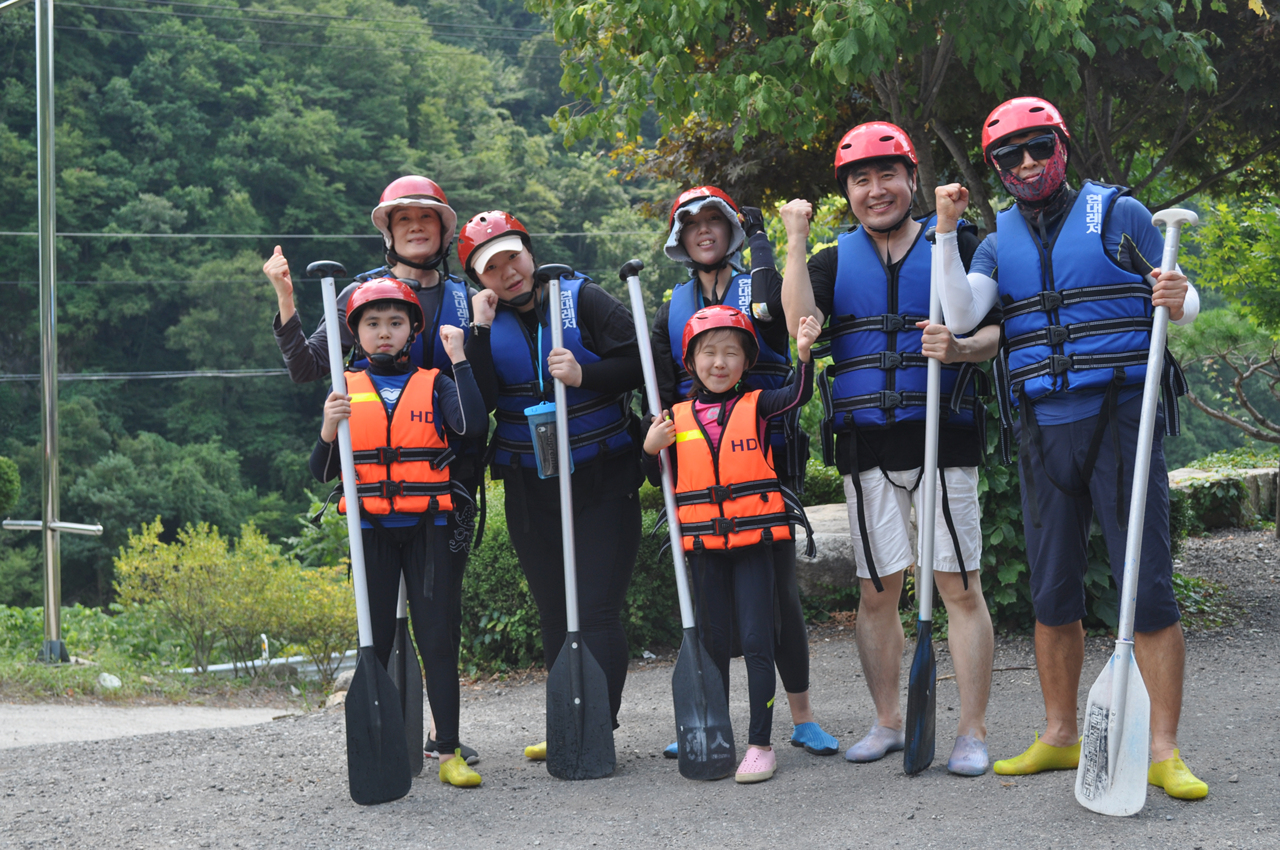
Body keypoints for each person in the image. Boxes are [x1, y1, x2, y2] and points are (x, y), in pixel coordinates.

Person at [934, 96, 1207, 799]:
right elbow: (962, 313)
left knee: (1147, 586)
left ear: (1061, 145)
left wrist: (1178, 296)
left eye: (1038, 147)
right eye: (1010, 155)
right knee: (1053, 590)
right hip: (1042, 428)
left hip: (1121, 419)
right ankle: (1060, 736)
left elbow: (1184, 302)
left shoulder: (1120, 214)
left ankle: (1163, 749)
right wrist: (946, 231)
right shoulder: (995, 241)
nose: (1026, 163)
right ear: (997, 166)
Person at [779, 122, 998, 775]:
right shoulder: (830, 260)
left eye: (887, 176)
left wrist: (959, 348)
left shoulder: (957, 242)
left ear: (911, 178)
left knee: (959, 587)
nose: (875, 190)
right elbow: (799, 325)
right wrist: (795, 240)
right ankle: (888, 722)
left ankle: (972, 731)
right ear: (847, 192)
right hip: (865, 443)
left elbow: (995, 333)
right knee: (877, 592)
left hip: (943, 438)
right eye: (860, 181)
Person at [264, 176, 484, 765]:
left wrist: (474, 341)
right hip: (373, 493)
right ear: (387, 231)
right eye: (403, 219)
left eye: (427, 218)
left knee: (439, 624)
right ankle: (385, 741)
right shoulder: (360, 295)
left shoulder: (466, 297)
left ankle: (445, 740)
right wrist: (286, 300)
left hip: (444, 488)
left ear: (443, 231)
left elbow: (480, 402)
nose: (416, 227)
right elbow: (308, 368)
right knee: (380, 628)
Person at [651, 186, 839, 758]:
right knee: (712, 610)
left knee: (778, 599)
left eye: (715, 221)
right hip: (703, 456)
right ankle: (708, 713)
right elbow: (661, 382)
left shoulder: (757, 281)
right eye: (693, 225)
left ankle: (801, 717)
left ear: (730, 231)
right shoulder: (671, 308)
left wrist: (766, 243)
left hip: (767, 449)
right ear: (681, 239)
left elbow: (784, 323)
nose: (704, 231)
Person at [459, 210, 644, 760]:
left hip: (603, 473)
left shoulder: (581, 299)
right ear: (478, 280)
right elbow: (480, 402)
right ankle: (568, 717)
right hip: (529, 482)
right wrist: (478, 333)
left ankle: (597, 726)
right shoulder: (481, 323)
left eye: (513, 257)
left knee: (596, 609)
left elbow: (642, 363)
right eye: (492, 268)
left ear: (529, 252)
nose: (509, 272)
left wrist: (586, 374)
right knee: (555, 611)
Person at [309, 278, 487, 788]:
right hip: (371, 529)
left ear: (412, 330)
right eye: (372, 324)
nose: (383, 332)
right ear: (357, 333)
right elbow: (322, 471)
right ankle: (379, 748)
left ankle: (448, 751)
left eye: (394, 322)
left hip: (428, 526)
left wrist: (460, 357)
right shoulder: (344, 387)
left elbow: (474, 427)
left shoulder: (436, 382)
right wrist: (328, 427)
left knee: (436, 639)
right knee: (377, 641)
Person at [643, 305, 822, 783]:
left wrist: (804, 355)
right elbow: (659, 479)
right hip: (705, 550)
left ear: (746, 362)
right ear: (690, 362)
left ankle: (761, 744)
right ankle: (715, 730)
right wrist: (650, 447)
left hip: (753, 545)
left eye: (730, 353)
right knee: (713, 645)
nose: (719, 363)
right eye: (708, 353)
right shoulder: (673, 418)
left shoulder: (758, 405)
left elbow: (798, 395)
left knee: (759, 641)